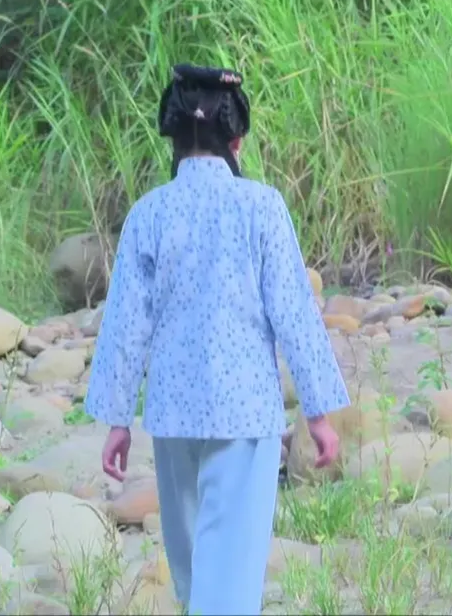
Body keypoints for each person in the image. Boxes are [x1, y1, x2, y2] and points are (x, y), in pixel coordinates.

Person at [84, 64, 351, 615]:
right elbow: (294, 313)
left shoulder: (148, 214)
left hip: (172, 415)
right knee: (229, 571)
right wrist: (319, 411)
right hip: (242, 412)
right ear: (237, 140)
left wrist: (117, 420)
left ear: (174, 140)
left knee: (192, 569)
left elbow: (125, 326)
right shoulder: (261, 207)